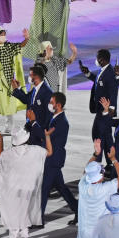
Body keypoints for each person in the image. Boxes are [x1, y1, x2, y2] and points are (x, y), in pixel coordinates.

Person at [0, 127, 51, 238]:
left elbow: (0, 155)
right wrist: (47, 136)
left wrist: (0, 139)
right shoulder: (35, 150)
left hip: (13, 188)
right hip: (28, 186)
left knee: (14, 212)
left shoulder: (9, 153)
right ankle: (25, 235)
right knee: (25, 210)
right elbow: (50, 152)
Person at [16, 0, 94, 61]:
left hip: (57, 30)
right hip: (44, 29)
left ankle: (53, 65)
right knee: (42, 49)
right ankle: (42, 64)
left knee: (55, 51)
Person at [38, 92, 79, 226]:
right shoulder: (54, 116)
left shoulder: (62, 122)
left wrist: (45, 138)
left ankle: (39, 220)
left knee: (44, 189)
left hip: (53, 159)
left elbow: (54, 142)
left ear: (59, 105)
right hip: (52, 159)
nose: (50, 104)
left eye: (52, 102)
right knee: (61, 187)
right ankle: (78, 209)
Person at [79, 49, 119, 165]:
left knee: (98, 137)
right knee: (106, 138)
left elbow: (113, 94)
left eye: (97, 58)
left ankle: (98, 164)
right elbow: (98, 81)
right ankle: (110, 165)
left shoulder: (110, 73)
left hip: (105, 113)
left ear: (101, 59)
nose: (96, 60)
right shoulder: (104, 71)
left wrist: (110, 113)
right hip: (101, 111)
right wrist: (88, 74)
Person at [0, 27, 28, 134]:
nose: (4, 36)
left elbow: (20, 45)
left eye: (4, 34)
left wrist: (27, 38)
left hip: (9, 80)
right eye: (1, 34)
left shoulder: (9, 46)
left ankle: (9, 126)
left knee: (10, 103)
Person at [12, 65, 54, 130]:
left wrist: (43, 134)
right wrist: (17, 88)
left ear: (36, 77)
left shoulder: (47, 92)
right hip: (30, 126)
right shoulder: (35, 88)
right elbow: (26, 99)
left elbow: (49, 116)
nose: (29, 77)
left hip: (39, 129)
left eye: (30, 75)